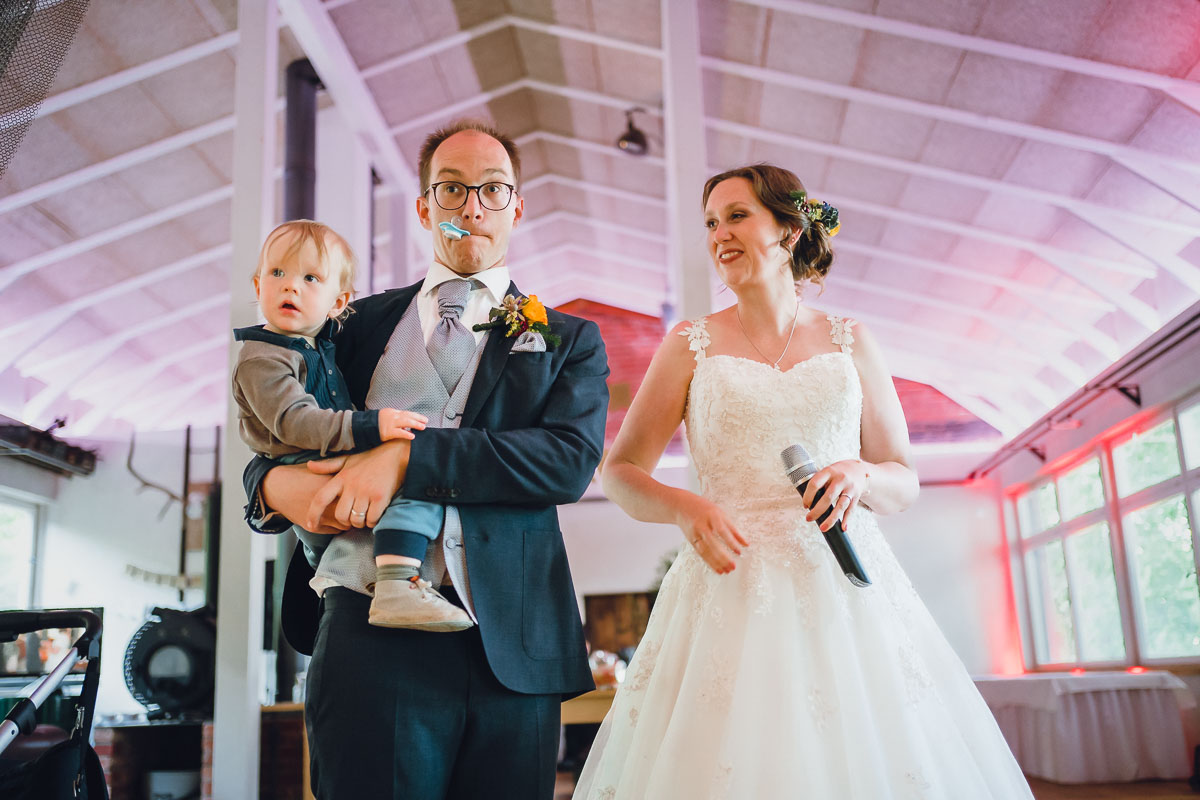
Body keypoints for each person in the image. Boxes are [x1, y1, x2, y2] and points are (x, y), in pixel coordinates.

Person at [574, 164, 1034, 798]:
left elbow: (903, 482)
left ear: (789, 229)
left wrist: (861, 472)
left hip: (845, 585)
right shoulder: (690, 343)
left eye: (737, 216)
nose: (719, 235)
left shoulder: (852, 341)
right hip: (729, 582)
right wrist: (684, 508)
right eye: (711, 222)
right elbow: (620, 471)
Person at [241, 121, 609, 799]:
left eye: (493, 189)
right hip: (366, 631)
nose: (472, 206)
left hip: (511, 644)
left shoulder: (565, 338)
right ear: (424, 206)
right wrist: (270, 487)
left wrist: (405, 460)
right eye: (452, 188)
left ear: (517, 206)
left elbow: (565, 462)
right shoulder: (352, 324)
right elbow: (280, 424)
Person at [232, 219, 474, 632]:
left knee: (420, 475)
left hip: (329, 481)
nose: (291, 286)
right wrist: (372, 426)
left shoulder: (319, 342)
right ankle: (397, 583)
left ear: (338, 302)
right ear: (258, 287)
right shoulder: (262, 357)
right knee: (421, 481)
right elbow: (293, 423)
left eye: (310, 277)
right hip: (312, 473)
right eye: (278, 274)